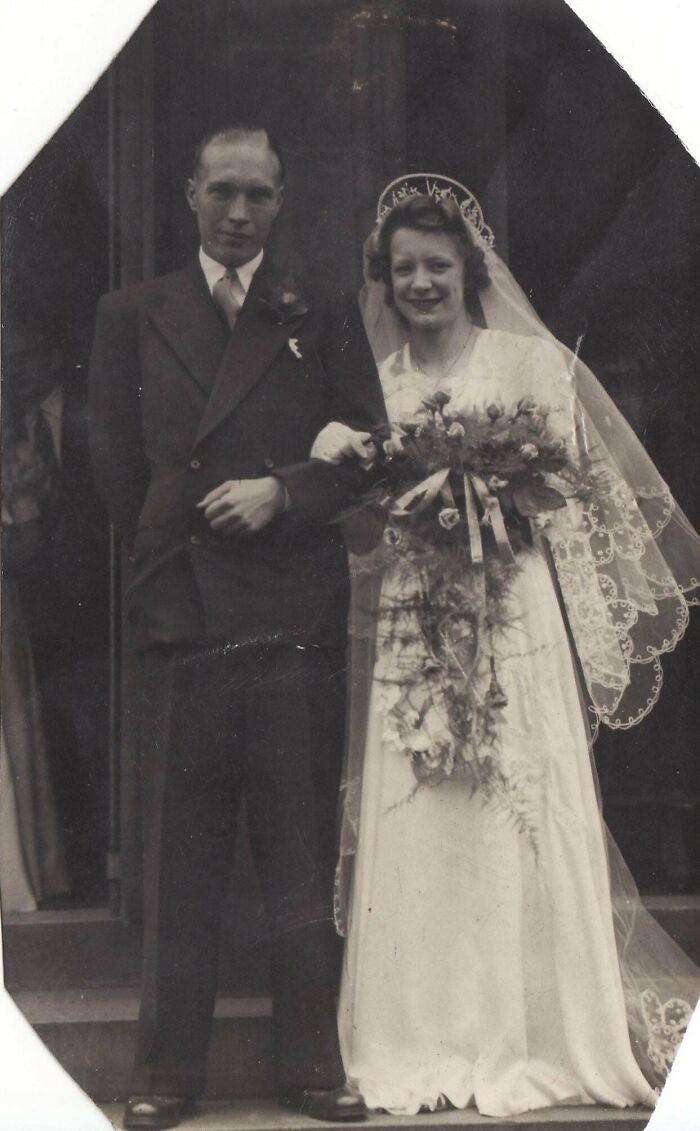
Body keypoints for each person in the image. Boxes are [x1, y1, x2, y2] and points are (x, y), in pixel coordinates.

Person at [311, 181, 700, 1117]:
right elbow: (361, 515)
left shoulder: (527, 367)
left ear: (469, 271)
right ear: (385, 279)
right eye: (403, 268)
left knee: (517, 800)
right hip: (415, 616)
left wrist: (490, 503)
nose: (420, 282)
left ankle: (536, 1030)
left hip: (511, 614)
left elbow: (566, 503)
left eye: (437, 265)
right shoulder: (377, 380)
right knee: (425, 805)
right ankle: (420, 1030)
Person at [88, 124, 386, 1130]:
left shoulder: (320, 312)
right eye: (222, 191)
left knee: (298, 851)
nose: (240, 212)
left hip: (291, 609)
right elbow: (116, 475)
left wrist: (283, 494)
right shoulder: (133, 314)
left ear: (280, 200)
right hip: (187, 613)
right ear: (188, 195)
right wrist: (168, 573)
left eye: (258, 194)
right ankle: (164, 1074)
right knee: (181, 855)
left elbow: (369, 453)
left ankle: (311, 1066)